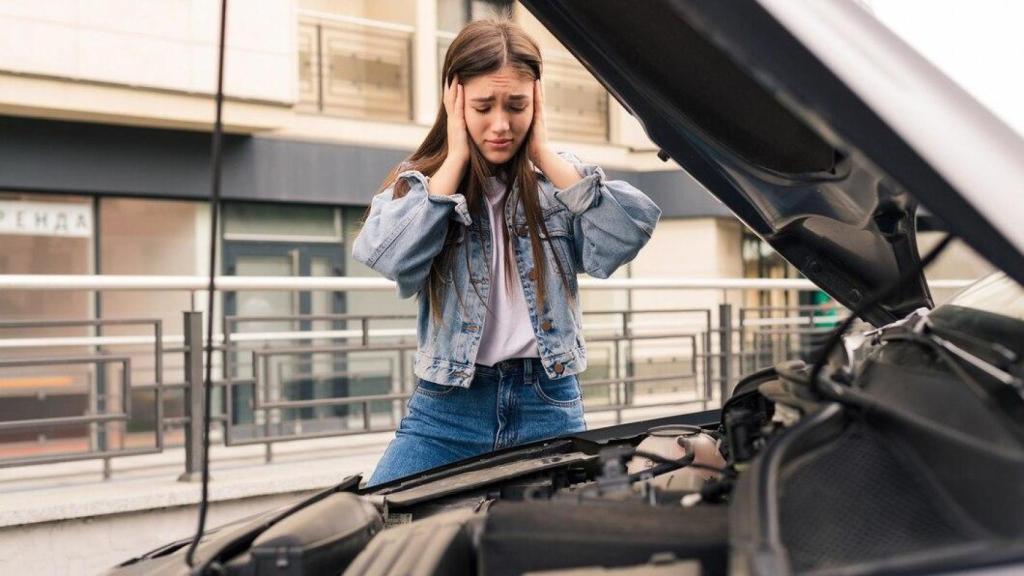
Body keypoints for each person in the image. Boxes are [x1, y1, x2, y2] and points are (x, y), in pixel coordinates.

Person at [353, 19, 661, 486]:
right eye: (482, 106)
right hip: (447, 410)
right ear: (454, 102)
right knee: (380, 525)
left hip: (548, 403)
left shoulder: (560, 181)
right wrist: (455, 158)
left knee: (560, 549)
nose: (501, 124)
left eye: (517, 106)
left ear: (536, 102)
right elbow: (389, 257)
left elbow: (625, 235)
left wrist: (544, 152)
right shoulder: (424, 183)